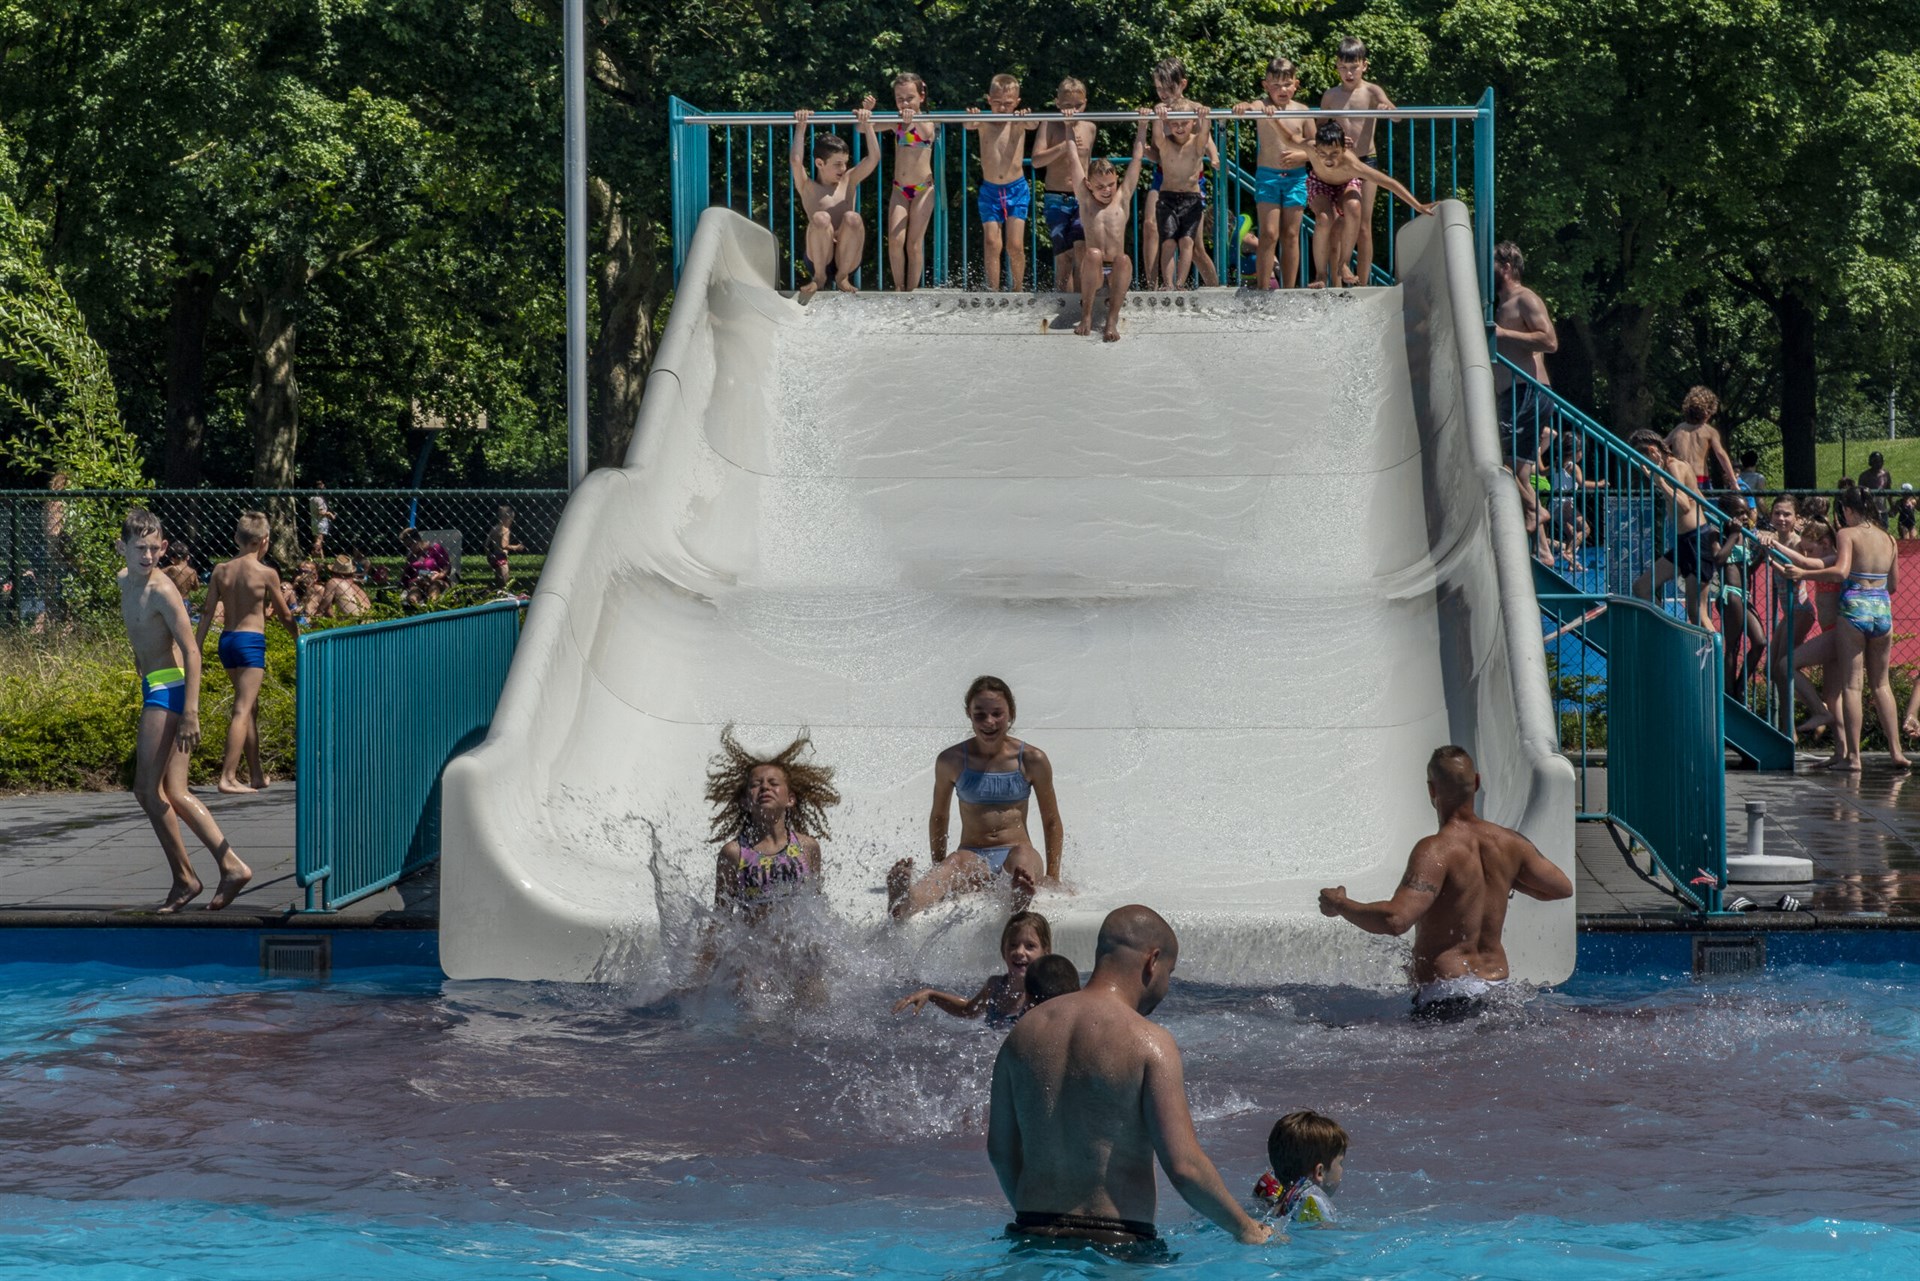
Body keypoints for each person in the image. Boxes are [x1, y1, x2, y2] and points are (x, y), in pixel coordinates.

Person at [988, 905, 1272, 1252]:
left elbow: (1000, 1151)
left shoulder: (1023, 1033)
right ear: (1152, 961)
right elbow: (1184, 1166)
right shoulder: (1149, 1042)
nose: (1165, 984)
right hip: (1118, 1245)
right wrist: (1246, 1228)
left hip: (1030, 1235)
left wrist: (1033, 1216)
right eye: (1170, 972)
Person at [1318, 746, 1572, 1019]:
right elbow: (1560, 887)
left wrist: (1341, 905)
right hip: (1499, 994)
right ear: (1476, 782)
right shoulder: (1510, 844)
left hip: (1448, 998)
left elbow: (1395, 921)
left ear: (1432, 790)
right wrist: (1506, 878)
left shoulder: (1435, 851)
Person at [115, 508, 253, 913]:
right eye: (140, 548)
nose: (149, 555)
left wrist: (190, 711)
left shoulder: (162, 589)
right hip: (154, 685)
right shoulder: (125, 581)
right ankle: (232, 866)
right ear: (122, 547)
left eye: (155, 548)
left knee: (145, 790)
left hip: (170, 690)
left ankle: (185, 879)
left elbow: (192, 650)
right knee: (174, 792)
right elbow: (140, 634)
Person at [889, 676, 1064, 917]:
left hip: (1016, 853)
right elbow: (939, 817)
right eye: (980, 714)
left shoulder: (1032, 759)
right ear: (969, 715)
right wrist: (938, 867)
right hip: (973, 858)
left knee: (1022, 860)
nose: (989, 722)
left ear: (1011, 713)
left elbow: (1051, 820)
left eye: (997, 714)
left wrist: (1054, 876)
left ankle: (1018, 897)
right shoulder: (951, 761)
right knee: (954, 863)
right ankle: (908, 902)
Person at [1780, 486, 1908, 771]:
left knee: (1852, 685)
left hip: (1854, 608)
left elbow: (1840, 572)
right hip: (1882, 609)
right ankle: (1897, 751)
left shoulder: (1847, 534)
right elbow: (1895, 585)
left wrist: (1804, 574)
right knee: (1881, 684)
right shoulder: (1889, 538)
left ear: (1848, 510)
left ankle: (1853, 757)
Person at [194, 511, 299, 794]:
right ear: (265, 540)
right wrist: (299, 637)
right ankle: (227, 777)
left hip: (227, 640)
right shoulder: (266, 573)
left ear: (236, 538)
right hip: (251, 642)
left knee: (250, 707)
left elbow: (206, 613)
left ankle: (255, 773)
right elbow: (284, 613)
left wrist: (197, 647)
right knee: (242, 708)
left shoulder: (220, 570)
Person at [1274, 120, 1434, 291]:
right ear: (1316, 149)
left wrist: (1417, 205)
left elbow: (1388, 182)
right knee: (1324, 218)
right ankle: (1321, 274)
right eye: (1323, 154)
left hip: (1345, 183)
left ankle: (1344, 263)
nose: (1328, 159)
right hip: (1320, 183)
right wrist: (1270, 118)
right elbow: (1289, 137)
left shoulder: (1352, 164)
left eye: (1335, 154)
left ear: (1344, 149)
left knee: (1354, 206)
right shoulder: (1311, 147)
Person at [1491, 243, 1559, 561]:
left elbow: (1549, 341)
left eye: (1490, 262)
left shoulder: (1525, 299)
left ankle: (1534, 509)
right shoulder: (1497, 304)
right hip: (1512, 394)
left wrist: (1503, 334)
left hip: (1527, 391)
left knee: (1498, 462)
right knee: (1517, 472)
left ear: (1506, 266)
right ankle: (1544, 549)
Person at [1058, 110, 1147, 342]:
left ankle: (1111, 320)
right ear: (1089, 184)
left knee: (1124, 259)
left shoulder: (1122, 199)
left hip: (1116, 272)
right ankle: (1086, 315)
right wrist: (1068, 126)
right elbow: (1073, 158)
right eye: (1100, 186)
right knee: (1094, 253)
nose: (1107, 190)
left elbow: (1137, 159)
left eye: (1110, 184)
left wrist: (1143, 124)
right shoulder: (1086, 201)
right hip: (1093, 271)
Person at [1232, 57, 1313, 291]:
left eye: (1287, 84)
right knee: (1268, 233)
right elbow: (1250, 106)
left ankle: (1288, 289)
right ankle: (1263, 288)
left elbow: (1316, 147)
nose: (1282, 90)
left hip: (1296, 177)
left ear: (1296, 84)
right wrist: (1243, 106)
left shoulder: (1303, 111)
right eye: (1276, 85)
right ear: (1266, 85)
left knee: (1290, 234)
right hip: (1268, 176)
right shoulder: (1262, 105)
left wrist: (1302, 156)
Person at [1320, 36, 1396, 283]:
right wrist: (1337, 139)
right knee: (1339, 222)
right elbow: (1319, 132)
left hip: (1366, 161)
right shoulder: (1330, 96)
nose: (1349, 73)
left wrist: (1386, 108)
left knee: (1364, 224)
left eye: (1354, 67)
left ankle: (1364, 283)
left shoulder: (1372, 91)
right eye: (1343, 68)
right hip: (1341, 163)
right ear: (1336, 66)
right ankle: (1337, 276)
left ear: (1365, 65)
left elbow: (1396, 117)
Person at [893, 910, 1050, 1026]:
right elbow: (968, 1010)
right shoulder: (995, 987)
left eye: (1030, 946)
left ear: (1046, 952)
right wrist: (931, 994)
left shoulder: (1045, 995)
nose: (1019, 952)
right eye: (1013, 945)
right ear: (1003, 950)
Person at [790, 105, 881, 300]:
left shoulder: (849, 180)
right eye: (837, 164)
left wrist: (868, 125)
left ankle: (842, 277)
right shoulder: (808, 187)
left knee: (853, 218)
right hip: (818, 257)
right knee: (821, 218)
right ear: (820, 163)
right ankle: (820, 277)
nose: (843, 167)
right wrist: (801, 126)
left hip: (847, 257)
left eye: (845, 162)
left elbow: (873, 159)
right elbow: (796, 161)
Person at [1628, 430, 1710, 625]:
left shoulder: (1674, 467)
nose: (1641, 466)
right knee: (1642, 587)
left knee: (1697, 612)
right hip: (1684, 541)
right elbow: (1700, 499)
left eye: (1642, 459)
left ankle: (1718, 655)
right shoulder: (1669, 469)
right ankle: (1666, 630)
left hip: (1696, 540)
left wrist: (1659, 480)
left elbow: (1683, 506)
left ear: (1652, 451)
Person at [965, 74, 1038, 292]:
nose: (1003, 108)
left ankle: (1018, 289)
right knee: (991, 243)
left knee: (1015, 245)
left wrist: (1025, 115)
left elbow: (1033, 124)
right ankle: (993, 290)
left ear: (1017, 102)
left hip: (1016, 188)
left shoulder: (1017, 122)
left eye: (1008, 103)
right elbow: (969, 124)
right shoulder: (984, 122)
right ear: (988, 100)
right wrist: (972, 115)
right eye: (997, 103)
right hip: (990, 190)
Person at [1032, 77, 1096, 292]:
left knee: (1082, 251)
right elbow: (1036, 160)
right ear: (1057, 103)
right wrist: (1063, 147)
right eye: (1068, 106)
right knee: (1064, 257)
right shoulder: (1049, 124)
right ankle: (1062, 302)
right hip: (1056, 198)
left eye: (1079, 106)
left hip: (1083, 197)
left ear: (1085, 102)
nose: (1073, 111)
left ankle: (1082, 301)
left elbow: (1088, 165)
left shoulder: (1090, 127)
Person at [876, 74, 938, 292]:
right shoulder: (897, 121)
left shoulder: (928, 121)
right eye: (899, 98)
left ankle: (912, 290)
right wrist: (866, 116)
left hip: (922, 190)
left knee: (913, 244)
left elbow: (926, 133)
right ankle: (899, 288)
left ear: (921, 97)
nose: (904, 103)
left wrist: (912, 120)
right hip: (900, 190)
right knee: (895, 240)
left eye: (910, 98)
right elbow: (865, 128)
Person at [1145, 101, 1211, 289]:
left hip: (1192, 199)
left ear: (1192, 122)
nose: (1179, 128)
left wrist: (1204, 116)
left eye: (1184, 123)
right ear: (1168, 124)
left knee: (1186, 241)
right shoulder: (1166, 145)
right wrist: (1158, 117)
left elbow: (1205, 132)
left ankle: (1180, 283)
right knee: (1168, 243)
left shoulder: (1197, 142)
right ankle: (1168, 284)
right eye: (1174, 124)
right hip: (1167, 199)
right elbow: (1157, 136)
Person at [1711, 497, 1768, 696]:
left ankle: (1739, 686)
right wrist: (1733, 535)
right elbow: (1719, 559)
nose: (1743, 517)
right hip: (1731, 593)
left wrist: (1761, 554)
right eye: (1738, 513)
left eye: (1745, 512)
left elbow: (1748, 570)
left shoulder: (1743, 535)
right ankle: (1729, 692)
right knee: (1733, 645)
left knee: (1760, 642)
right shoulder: (1718, 534)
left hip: (1745, 595)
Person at [1252, 1110, 1347, 1227]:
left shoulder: (1275, 1200)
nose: (1342, 1169)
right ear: (1320, 1172)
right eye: (1341, 1163)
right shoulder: (1313, 1204)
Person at [1664, 386, 1737, 497]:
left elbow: (1662, 446)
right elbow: (1721, 454)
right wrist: (1733, 481)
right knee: (1701, 511)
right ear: (1708, 412)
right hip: (1699, 479)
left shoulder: (1678, 429)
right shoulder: (1709, 431)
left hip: (1678, 477)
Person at [400, 527, 452, 607]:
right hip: (418, 583)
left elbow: (447, 567)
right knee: (414, 588)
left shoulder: (435, 548)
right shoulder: (411, 556)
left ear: (417, 541)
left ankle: (432, 606)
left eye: (410, 545)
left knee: (434, 586)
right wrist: (416, 580)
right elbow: (405, 576)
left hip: (438, 581)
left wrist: (437, 576)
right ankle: (413, 605)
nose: (409, 549)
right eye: (407, 547)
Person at [486, 504, 524, 591]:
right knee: (505, 583)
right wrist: (517, 547)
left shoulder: (495, 528)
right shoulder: (505, 530)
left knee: (499, 582)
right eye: (511, 520)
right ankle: (505, 597)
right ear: (507, 518)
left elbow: (487, 543)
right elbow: (504, 545)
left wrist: (488, 555)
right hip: (501, 558)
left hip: (493, 557)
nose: (511, 522)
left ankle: (499, 595)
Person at [309, 479, 333, 557]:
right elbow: (321, 512)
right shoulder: (319, 499)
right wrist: (330, 514)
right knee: (319, 542)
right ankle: (312, 554)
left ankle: (321, 561)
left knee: (318, 541)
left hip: (314, 522)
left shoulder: (312, 498)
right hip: (320, 522)